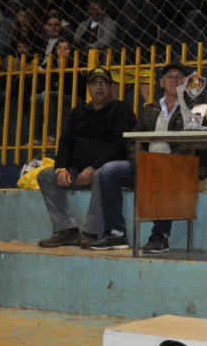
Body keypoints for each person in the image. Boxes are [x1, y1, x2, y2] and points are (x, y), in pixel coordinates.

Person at [89, 62, 207, 253]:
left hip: (177, 167)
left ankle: (159, 235)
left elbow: (193, 145)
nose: (174, 80)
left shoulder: (194, 109)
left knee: (164, 171)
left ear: (186, 84)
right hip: (147, 165)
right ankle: (116, 233)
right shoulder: (150, 108)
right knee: (108, 171)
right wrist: (141, 163)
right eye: (169, 76)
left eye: (179, 77)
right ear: (161, 83)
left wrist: (162, 164)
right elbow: (133, 141)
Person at [35, 67, 138, 248]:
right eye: (95, 83)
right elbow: (66, 142)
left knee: (102, 174)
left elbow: (120, 145)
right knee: (45, 175)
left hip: (101, 172)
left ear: (112, 87)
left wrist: (93, 167)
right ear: (89, 87)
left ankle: (90, 233)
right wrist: (61, 168)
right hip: (77, 171)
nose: (100, 87)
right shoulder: (79, 111)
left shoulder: (121, 110)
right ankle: (66, 230)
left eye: (104, 83)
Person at [116, 0, 160, 103]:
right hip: (129, 55)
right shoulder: (133, 1)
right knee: (116, 96)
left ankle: (151, 122)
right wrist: (149, 46)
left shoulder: (148, 5)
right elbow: (131, 28)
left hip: (144, 56)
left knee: (148, 95)